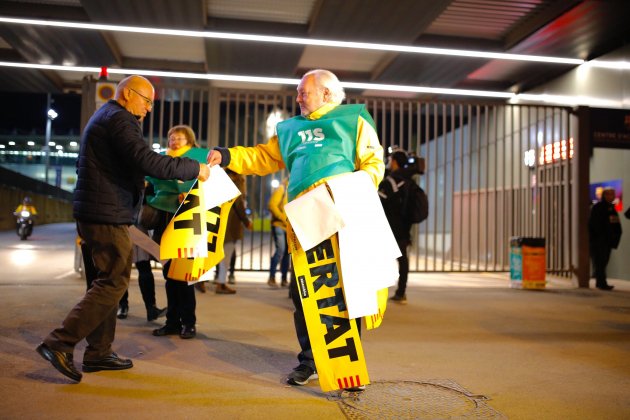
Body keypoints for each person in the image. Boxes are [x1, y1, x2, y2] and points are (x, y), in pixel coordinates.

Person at [207, 69, 384, 389]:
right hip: (303, 221)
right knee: (304, 292)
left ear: (327, 94)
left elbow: (373, 164)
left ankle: (345, 361)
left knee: (346, 292)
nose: (298, 97)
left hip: (344, 217)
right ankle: (309, 361)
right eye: (298, 92)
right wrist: (228, 155)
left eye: (305, 92)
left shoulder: (353, 119)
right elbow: (262, 157)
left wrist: (346, 191)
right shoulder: (288, 129)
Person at [35, 75, 210, 383]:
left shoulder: (105, 117)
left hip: (96, 210)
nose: (148, 109)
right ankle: (59, 343)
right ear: (129, 94)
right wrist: (195, 168)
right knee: (114, 281)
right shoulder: (119, 119)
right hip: (106, 214)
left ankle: (99, 352)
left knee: (102, 282)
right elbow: (147, 160)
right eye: (147, 101)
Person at [150, 124, 208, 339]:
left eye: (180, 138)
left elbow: (210, 186)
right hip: (165, 220)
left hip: (188, 222)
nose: (174, 141)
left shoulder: (199, 160)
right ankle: (172, 322)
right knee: (168, 275)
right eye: (172, 137)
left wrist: (190, 195)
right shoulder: (162, 160)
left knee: (183, 276)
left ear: (190, 141)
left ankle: (189, 323)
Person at [378, 150, 416, 304]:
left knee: (380, 258)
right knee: (403, 259)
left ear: (394, 162)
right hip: (404, 226)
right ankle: (401, 292)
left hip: (390, 226)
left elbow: (379, 202)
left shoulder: (390, 181)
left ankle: (378, 292)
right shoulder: (409, 180)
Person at [214, 169, 252, 294]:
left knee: (216, 252)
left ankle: (217, 281)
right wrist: (246, 221)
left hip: (218, 220)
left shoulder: (219, 179)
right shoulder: (236, 181)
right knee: (227, 253)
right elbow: (238, 204)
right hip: (230, 223)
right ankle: (221, 283)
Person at [588, 187, 621, 291]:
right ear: (605, 195)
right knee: (600, 262)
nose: (613, 196)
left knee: (604, 261)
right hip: (599, 240)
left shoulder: (611, 208)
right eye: (610, 194)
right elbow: (594, 224)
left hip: (607, 240)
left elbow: (615, 224)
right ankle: (602, 283)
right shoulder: (598, 207)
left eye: (613, 194)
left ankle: (601, 282)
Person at [267, 178, 290, 288]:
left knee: (287, 254)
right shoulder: (282, 188)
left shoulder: (294, 190)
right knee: (280, 250)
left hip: (289, 227)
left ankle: (284, 279)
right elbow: (272, 205)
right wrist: (283, 218)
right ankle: (271, 277)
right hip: (279, 225)